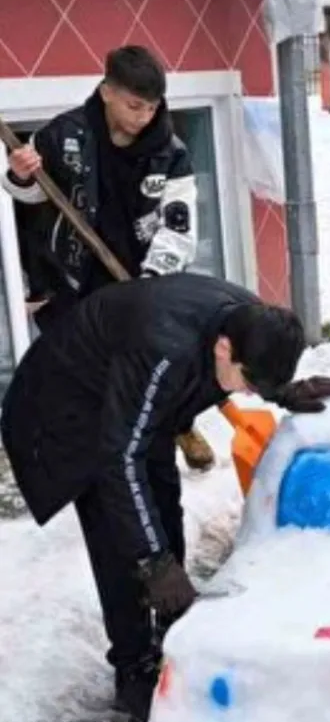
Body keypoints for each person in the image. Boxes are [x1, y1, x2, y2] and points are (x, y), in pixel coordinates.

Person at [0, 272, 330, 722]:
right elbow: (119, 460)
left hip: (130, 402)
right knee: (119, 534)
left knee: (163, 505)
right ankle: (134, 672)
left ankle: (171, 628)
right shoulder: (164, 349)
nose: (247, 393)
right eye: (248, 381)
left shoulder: (246, 319)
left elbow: (156, 434)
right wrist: (152, 562)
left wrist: (278, 390)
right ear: (224, 349)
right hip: (66, 410)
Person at [2, 44, 216, 473]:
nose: (143, 117)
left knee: (156, 360)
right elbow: (32, 196)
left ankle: (177, 423)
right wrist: (20, 174)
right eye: (134, 105)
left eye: (152, 107)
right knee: (86, 370)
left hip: (140, 275)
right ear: (106, 91)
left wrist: (151, 285)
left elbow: (178, 228)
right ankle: (98, 451)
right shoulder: (64, 136)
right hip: (73, 275)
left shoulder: (169, 154)